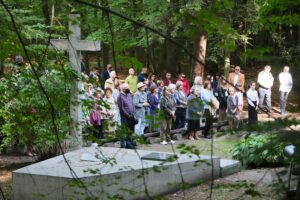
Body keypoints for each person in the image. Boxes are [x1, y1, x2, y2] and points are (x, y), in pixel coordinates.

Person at [117, 83, 136, 149]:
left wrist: (133, 112)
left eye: (128, 88)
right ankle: (122, 144)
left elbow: (132, 103)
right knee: (124, 130)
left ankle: (129, 143)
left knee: (130, 130)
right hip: (125, 116)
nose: (128, 89)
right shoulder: (120, 96)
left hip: (131, 114)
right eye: (126, 88)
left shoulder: (129, 94)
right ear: (123, 89)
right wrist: (127, 115)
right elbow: (121, 108)